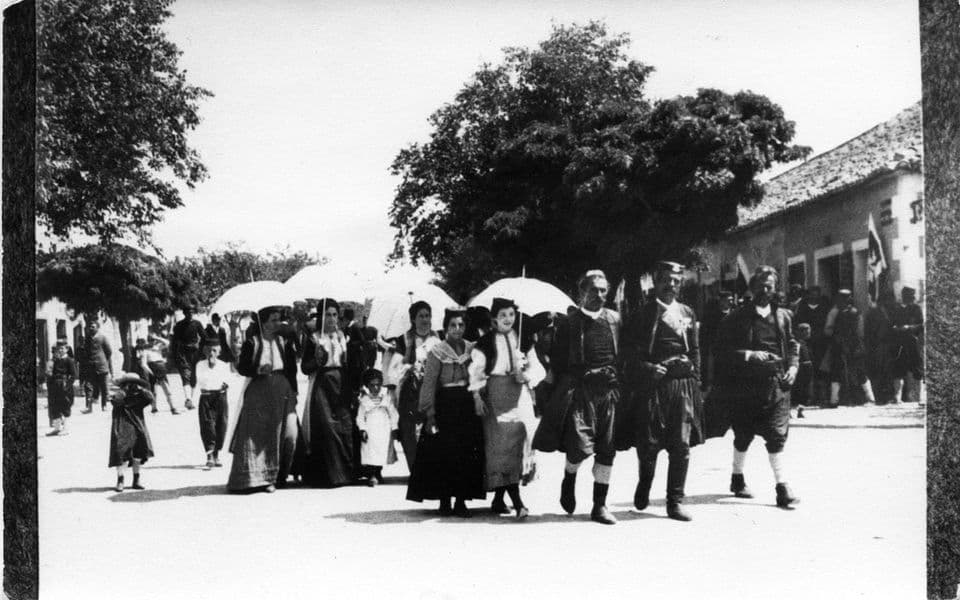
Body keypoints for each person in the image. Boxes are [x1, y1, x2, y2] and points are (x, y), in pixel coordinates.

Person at [533, 270, 622, 525]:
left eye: (604, 290)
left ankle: (599, 505)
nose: (599, 295)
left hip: (608, 394)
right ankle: (569, 478)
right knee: (578, 449)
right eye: (593, 290)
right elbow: (558, 363)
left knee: (607, 449)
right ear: (582, 292)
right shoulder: (569, 324)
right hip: (580, 393)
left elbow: (623, 356)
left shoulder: (615, 320)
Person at [620, 261, 703, 521]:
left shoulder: (687, 312)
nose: (671, 285)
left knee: (681, 444)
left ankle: (674, 501)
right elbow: (628, 354)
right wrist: (648, 369)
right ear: (656, 283)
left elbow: (695, 350)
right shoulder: (642, 315)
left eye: (676, 281)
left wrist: (695, 376)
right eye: (666, 280)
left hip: (682, 388)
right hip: (653, 386)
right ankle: (644, 484)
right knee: (649, 444)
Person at [713, 266, 800, 508]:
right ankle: (737, 477)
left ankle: (782, 487)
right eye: (760, 285)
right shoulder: (736, 318)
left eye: (769, 286)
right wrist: (749, 355)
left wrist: (793, 368)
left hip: (777, 384)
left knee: (776, 435)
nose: (764, 290)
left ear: (775, 289)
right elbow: (720, 352)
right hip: (746, 385)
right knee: (743, 434)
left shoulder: (784, 316)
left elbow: (793, 345)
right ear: (752, 288)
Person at [469, 298, 544, 520]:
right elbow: (476, 371)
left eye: (511, 314)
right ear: (494, 319)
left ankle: (499, 499)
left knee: (518, 443)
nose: (508, 319)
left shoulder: (523, 339)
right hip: (495, 395)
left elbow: (537, 367)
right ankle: (518, 503)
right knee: (501, 448)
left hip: (518, 395)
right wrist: (476, 396)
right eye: (503, 315)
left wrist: (526, 374)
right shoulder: (484, 343)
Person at [407, 308, 486, 517]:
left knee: (466, 452)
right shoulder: (437, 351)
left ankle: (461, 500)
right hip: (445, 405)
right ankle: (444, 500)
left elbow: (479, 376)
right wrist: (429, 413)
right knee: (444, 453)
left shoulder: (471, 349)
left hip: (467, 405)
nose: (457, 329)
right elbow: (429, 383)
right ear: (446, 327)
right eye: (453, 325)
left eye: (461, 325)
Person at [226, 307, 300, 493]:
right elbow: (242, 368)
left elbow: (291, 370)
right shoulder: (253, 342)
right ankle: (260, 478)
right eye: (273, 320)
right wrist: (257, 369)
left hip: (282, 391)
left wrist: (294, 392)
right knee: (261, 436)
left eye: (278, 320)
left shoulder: (283, 342)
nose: (277, 324)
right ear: (263, 322)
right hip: (259, 392)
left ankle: (280, 475)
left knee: (289, 434)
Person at [299, 299, 357, 487]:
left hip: (341, 385)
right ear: (320, 317)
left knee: (345, 425)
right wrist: (316, 360)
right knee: (327, 427)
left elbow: (349, 363)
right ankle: (327, 476)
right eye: (327, 315)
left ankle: (347, 474)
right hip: (322, 386)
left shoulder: (343, 337)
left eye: (334, 315)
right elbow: (305, 368)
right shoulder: (314, 338)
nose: (331, 319)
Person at [391, 301, 441, 472]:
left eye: (427, 316)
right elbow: (394, 367)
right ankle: (415, 470)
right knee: (409, 431)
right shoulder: (404, 340)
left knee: (432, 429)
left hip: (432, 390)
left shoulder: (438, 339)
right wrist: (410, 367)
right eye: (421, 316)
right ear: (413, 319)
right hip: (411, 391)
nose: (425, 320)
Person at [824, 289, 876, 406]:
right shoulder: (844, 312)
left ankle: (868, 398)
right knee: (840, 371)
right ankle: (836, 400)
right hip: (844, 346)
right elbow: (860, 332)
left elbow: (828, 330)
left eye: (845, 298)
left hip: (849, 346)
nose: (844, 300)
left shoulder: (840, 312)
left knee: (856, 371)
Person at [109, 373, 155, 492]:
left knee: (138, 453)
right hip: (122, 426)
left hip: (138, 426)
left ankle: (136, 479)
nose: (132, 386)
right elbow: (115, 401)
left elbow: (150, 399)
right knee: (121, 452)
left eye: (135, 384)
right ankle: (120, 480)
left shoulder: (140, 395)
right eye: (129, 383)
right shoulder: (120, 395)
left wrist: (142, 390)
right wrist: (123, 391)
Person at [193, 337, 231, 468]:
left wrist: (224, 385)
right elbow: (202, 381)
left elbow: (227, 381)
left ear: (219, 352)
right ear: (204, 351)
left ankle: (216, 455)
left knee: (222, 426)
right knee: (208, 426)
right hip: (206, 397)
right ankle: (209, 455)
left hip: (220, 398)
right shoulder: (200, 365)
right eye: (209, 351)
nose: (211, 353)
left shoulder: (224, 365)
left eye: (214, 351)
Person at [356, 369, 399, 486]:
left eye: (378, 385)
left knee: (382, 451)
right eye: (372, 385)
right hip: (371, 427)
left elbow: (393, 412)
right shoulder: (364, 399)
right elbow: (360, 416)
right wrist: (363, 429)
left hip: (383, 427)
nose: (375, 388)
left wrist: (394, 428)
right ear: (367, 385)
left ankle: (379, 472)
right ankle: (372, 475)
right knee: (370, 452)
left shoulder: (386, 396)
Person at [795, 286, 832, 407]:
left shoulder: (825, 307)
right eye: (812, 294)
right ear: (808, 295)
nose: (814, 297)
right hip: (807, 342)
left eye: (816, 294)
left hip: (822, 342)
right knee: (809, 369)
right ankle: (809, 397)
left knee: (822, 369)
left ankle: (822, 396)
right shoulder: (802, 307)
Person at [890, 286, 924, 404]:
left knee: (916, 369)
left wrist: (909, 327)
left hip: (912, 342)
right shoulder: (897, 309)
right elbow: (892, 324)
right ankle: (897, 398)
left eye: (911, 296)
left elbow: (921, 325)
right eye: (907, 296)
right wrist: (896, 328)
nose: (910, 298)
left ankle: (918, 397)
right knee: (898, 368)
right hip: (899, 343)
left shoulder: (916, 308)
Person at [172, 305, 206, 410]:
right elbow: (175, 342)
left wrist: (200, 350)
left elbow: (204, 337)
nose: (190, 314)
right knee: (185, 374)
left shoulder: (197, 324)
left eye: (192, 312)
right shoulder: (178, 325)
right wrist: (175, 355)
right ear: (184, 313)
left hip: (195, 354)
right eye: (188, 312)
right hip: (183, 353)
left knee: (194, 377)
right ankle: (188, 399)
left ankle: (191, 398)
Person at [45, 340, 78, 436]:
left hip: (64, 386)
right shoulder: (56, 360)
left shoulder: (69, 360)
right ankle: (56, 428)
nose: (60, 350)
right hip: (55, 386)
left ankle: (66, 428)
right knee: (55, 406)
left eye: (62, 348)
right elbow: (51, 373)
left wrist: (67, 386)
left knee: (65, 406)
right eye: (58, 349)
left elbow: (73, 375)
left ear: (67, 349)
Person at [80, 319, 113, 413]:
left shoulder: (103, 338)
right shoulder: (87, 338)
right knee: (88, 386)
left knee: (103, 386)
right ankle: (88, 407)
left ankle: (104, 405)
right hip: (90, 366)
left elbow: (109, 351)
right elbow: (86, 351)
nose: (91, 328)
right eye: (89, 327)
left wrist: (103, 360)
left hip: (101, 365)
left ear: (98, 328)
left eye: (93, 326)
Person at [140, 335, 178, 414]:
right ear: (148, 341)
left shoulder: (158, 349)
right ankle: (154, 408)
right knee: (154, 392)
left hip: (162, 371)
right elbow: (143, 364)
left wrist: (158, 338)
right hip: (153, 371)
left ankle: (173, 408)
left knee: (168, 390)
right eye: (151, 340)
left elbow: (167, 343)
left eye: (154, 340)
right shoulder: (146, 351)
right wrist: (151, 372)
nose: (153, 342)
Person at [792, 323, 813, 418]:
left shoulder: (806, 343)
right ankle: (791, 410)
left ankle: (800, 410)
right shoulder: (795, 343)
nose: (809, 333)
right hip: (800, 368)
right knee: (797, 389)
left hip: (807, 368)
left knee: (805, 390)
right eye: (806, 331)